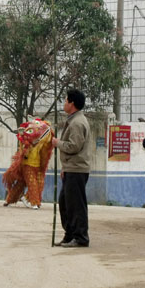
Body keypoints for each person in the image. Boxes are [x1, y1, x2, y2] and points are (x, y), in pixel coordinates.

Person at [52, 89, 91, 248]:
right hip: (71, 168)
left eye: (66, 100)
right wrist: (65, 167)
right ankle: (69, 234)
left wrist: (58, 143)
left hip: (77, 169)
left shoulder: (77, 123)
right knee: (65, 203)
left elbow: (74, 146)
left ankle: (80, 237)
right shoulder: (73, 120)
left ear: (72, 103)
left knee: (76, 205)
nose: (64, 103)